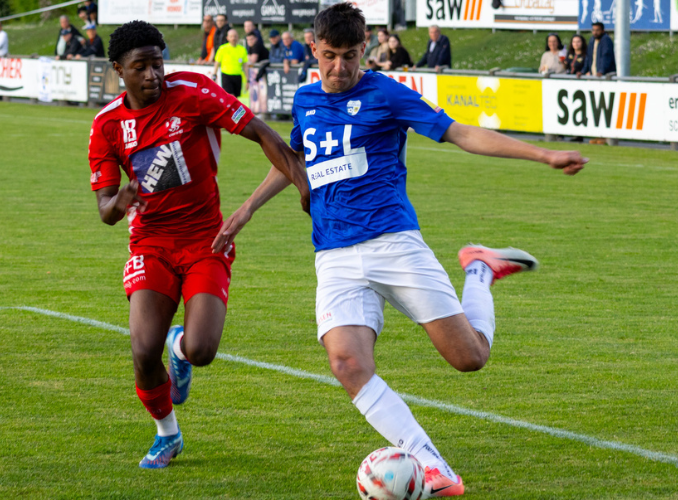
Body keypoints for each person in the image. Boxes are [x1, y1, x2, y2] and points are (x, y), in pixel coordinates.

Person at [216, 3, 587, 496]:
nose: (340, 68)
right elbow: (296, 160)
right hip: (334, 257)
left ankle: (479, 269)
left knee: (469, 358)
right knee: (347, 364)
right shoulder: (305, 100)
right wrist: (244, 213)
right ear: (313, 49)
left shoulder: (387, 93)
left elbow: (460, 133)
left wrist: (542, 153)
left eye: (350, 56)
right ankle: (432, 464)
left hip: (394, 244)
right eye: (329, 56)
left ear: (364, 47)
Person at [87, 20, 307, 469]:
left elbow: (261, 132)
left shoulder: (192, 92)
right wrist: (120, 201)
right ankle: (167, 434)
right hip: (150, 244)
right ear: (118, 69)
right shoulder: (106, 126)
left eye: (158, 63)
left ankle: (181, 348)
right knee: (142, 350)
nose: (153, 75)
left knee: (202, 351)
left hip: (208, 239)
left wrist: (301, 182)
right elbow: (105, 211)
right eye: (140, 67)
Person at [213, 28, 248, 97]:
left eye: (235, 36)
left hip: (237, 76)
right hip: (226, 76)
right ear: (227, 38)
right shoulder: (222, 49)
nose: (233, 38)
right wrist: (214, 74)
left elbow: (245, 65)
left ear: (237, 37)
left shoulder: (242, 49)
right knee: (230, 96)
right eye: (231, 36)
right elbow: (217, 63)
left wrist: (248, 80)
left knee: (236, 98)